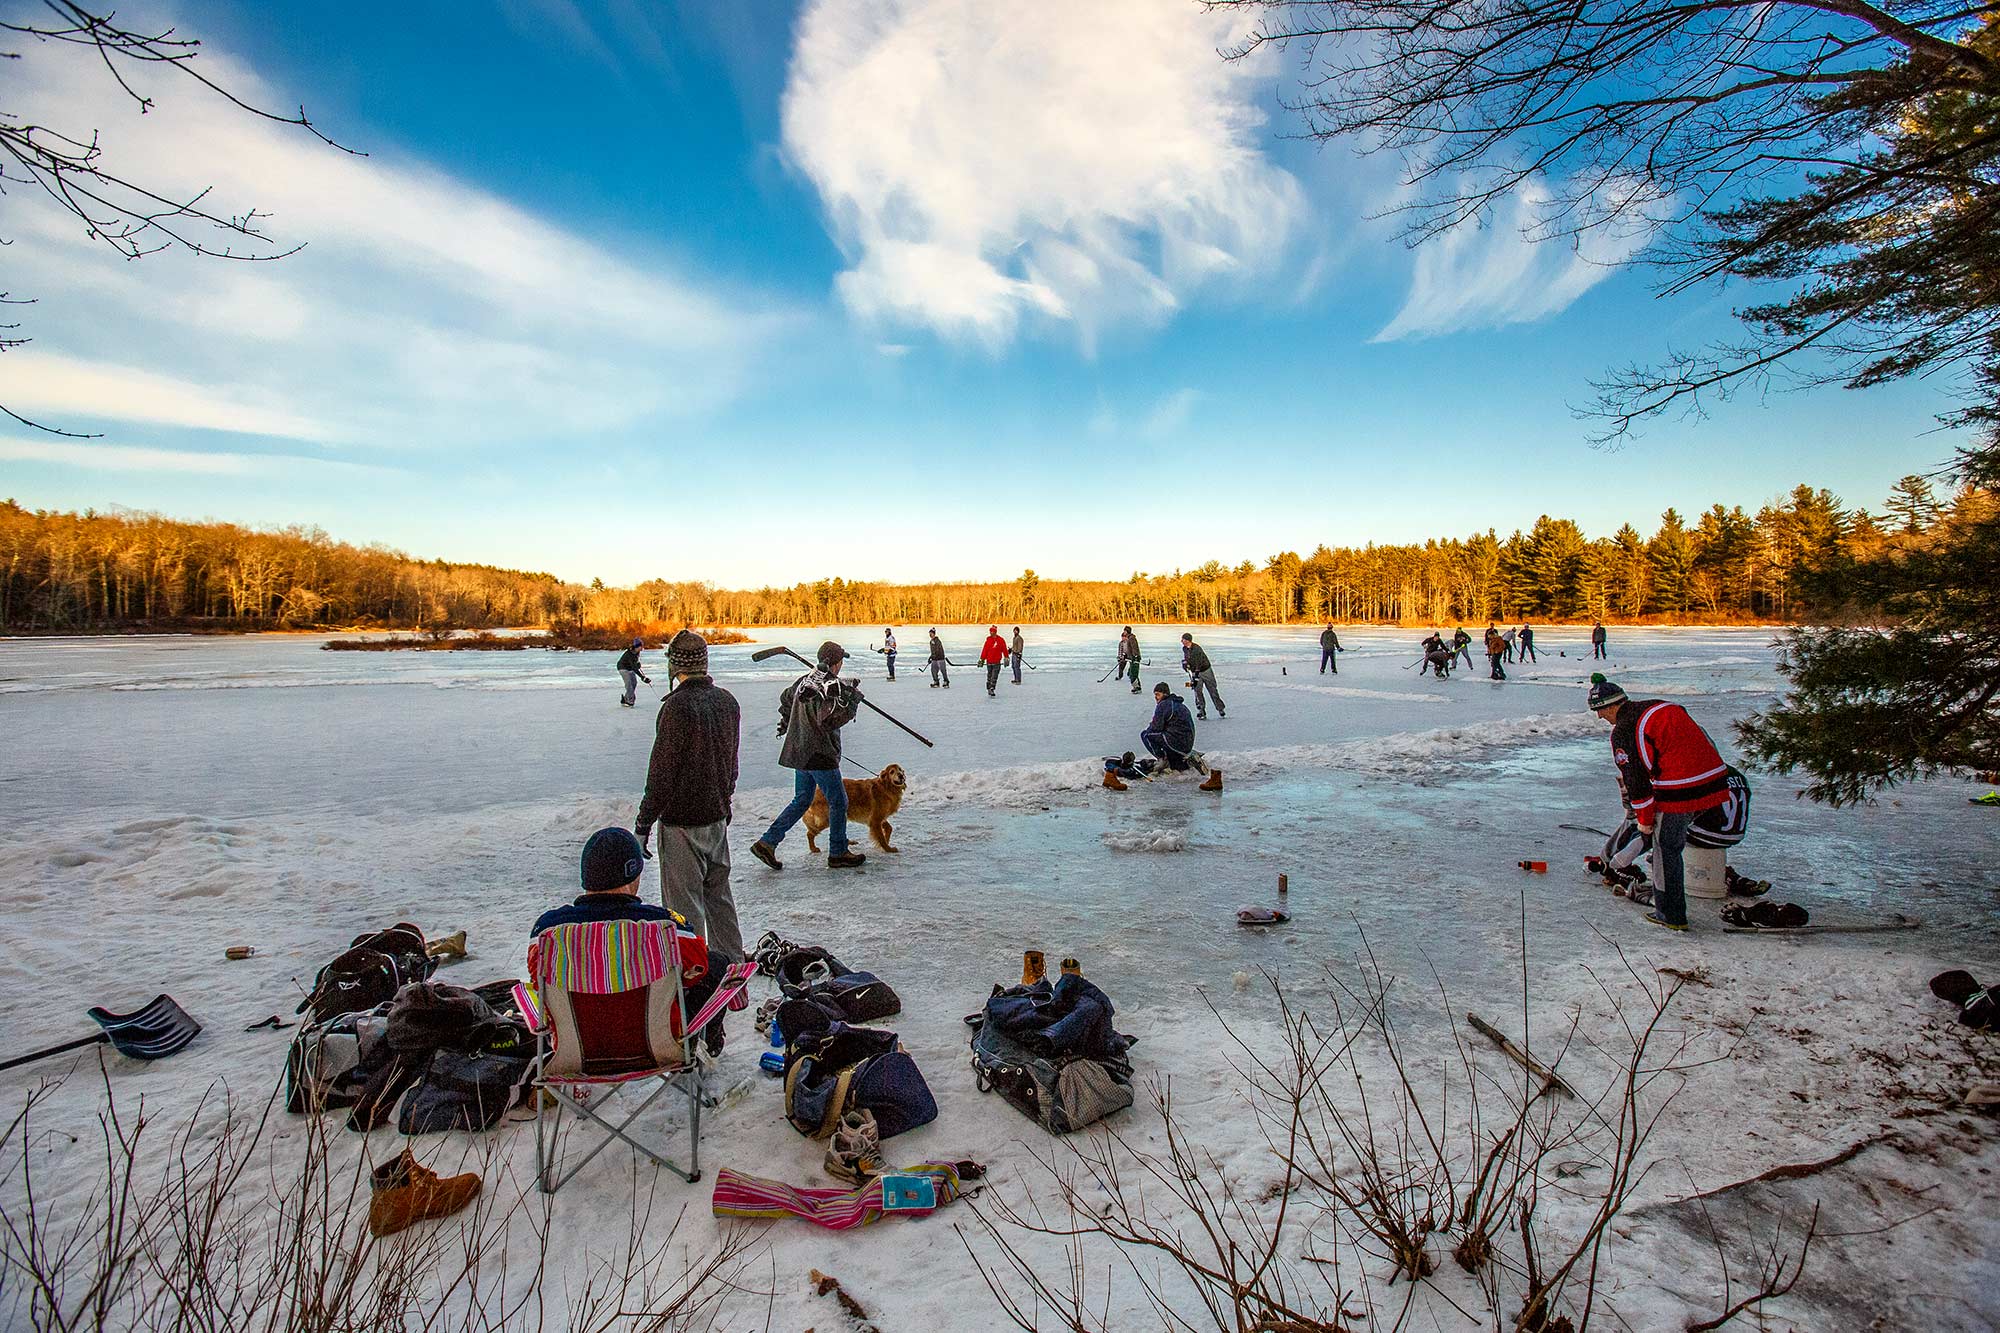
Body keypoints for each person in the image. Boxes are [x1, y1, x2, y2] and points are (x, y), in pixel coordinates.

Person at [1587, 674, 1731, 931]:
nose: (1600, 717)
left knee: (1666, 847)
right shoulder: (1659, 705)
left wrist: (1643, 820)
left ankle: (1670, 914)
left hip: (1682, 790)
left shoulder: (1623, 730)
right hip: (1716, 782)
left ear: (1611, 706)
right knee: (1668, 836)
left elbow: (1636, 781)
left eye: (1599, 710)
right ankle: (1619, 861)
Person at [634, 629, 744, 963]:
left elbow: (662, 774)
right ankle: (733, 968)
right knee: (719, 898)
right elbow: (732, 763)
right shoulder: (727, 701)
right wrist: (725, 802)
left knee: (685, 910)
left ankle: (694, 977)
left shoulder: (677, 708)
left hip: (682, 822)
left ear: (674, 666)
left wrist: (643, 825)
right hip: (716, 816)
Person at [752, 641, 865, 871]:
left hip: (800, 752)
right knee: (838, 801)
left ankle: (768, 842)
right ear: (835, 664)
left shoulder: (805, 681)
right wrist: (852, 702)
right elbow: (830, 720)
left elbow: (786, 698)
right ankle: (838, 852)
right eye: (841, 661)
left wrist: (787, 721)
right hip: (819, 754)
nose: (842, 665)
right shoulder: (826, 688)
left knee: (803, 799)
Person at [532, 826, 688, 937]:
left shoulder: (547, 930)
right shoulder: (668, 927)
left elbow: (536, 972)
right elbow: (698, 964)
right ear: (633, 874)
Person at [1140, 681, 1204, 775]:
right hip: (1187, 742)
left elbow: (1156, 728)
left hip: (1176, 741)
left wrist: (1151, 725)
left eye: (1158, 694)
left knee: (1146, 734)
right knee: (1163, 736)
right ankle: (1180, 759)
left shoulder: (1164, 705)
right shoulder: (1180, 705)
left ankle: (1162, 760)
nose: (1156, 698)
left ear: (1165, 694)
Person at [1180, 633, 1225, 720]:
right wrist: (1185, 664)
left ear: (1188, 640)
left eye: (1183, 639)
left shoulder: (1197, 649)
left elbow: (1199, 662)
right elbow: (1187, 658)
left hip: (1205, 671)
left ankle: (1220, 708)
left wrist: (1196, 673)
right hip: (1195, 672)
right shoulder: (1185, 648)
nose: (1181, 641)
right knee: (1197, 691)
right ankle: (1201, 710)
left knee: (1212, 690)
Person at [615, 638, 650, 708]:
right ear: (637, 646)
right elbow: (634, 667)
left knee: (634, 683)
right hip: (623, 668)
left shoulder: (636, 653)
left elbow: (635, 663)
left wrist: (638, 664)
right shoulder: (629, 654)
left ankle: (625, 699)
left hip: (630, 668)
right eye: (641, 646)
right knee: (629, 684)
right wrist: (642, 677)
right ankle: (630, 701)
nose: (642, 648)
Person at [979, 625, 1008, 696]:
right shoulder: (988, 640)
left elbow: (1004, 649)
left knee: (994, 676)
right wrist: (982, 659)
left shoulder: (1001, 640)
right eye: (990, 631)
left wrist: (1006, 657)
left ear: (995, 632)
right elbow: (985, 650)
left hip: (997, 662)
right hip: (989, 661)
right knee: (989, 675)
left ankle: (992, 688)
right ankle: (989, 686)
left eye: (992, 631)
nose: (991, 632)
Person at [1116, 627, 1142, 693]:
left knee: (1133, 674)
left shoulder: (1131, 638)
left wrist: (1135, 656)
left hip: (1134, 659)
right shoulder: (1128, 638)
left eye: (1124, 631)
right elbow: (1128, 649)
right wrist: (1125, 656)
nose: (1123, 632)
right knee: (1131, 673)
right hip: (1131, 658)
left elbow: (1134, 648)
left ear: (1126, 631)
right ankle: (1136, 686)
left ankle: (1137, 688)